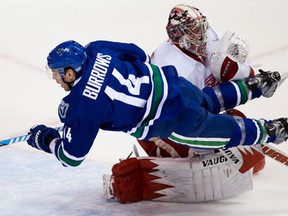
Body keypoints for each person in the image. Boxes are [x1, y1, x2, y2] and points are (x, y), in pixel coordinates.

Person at [26, 39, 287, 168]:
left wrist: (45, 140)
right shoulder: (95, 49)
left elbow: (72, 157)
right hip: (175, 84)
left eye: (58, 73)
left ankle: (273, 130)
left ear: (70, 72)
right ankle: (255, 85)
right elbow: (137, 53)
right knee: (208, 100)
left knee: (223, 132)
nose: (56, 79)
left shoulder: (81, 106)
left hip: (172, 120)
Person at [137, 4, 273, 174]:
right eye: (194, 31)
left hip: (193, 108)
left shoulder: (202, 38)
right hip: (161, 129)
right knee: (219, 154)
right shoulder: (175, 67)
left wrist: (250, 75)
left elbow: (226, 69)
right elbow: (190, 117)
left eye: (201, 28)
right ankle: (172, 160)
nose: (201, 35)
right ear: (180, 35)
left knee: (248, 151)